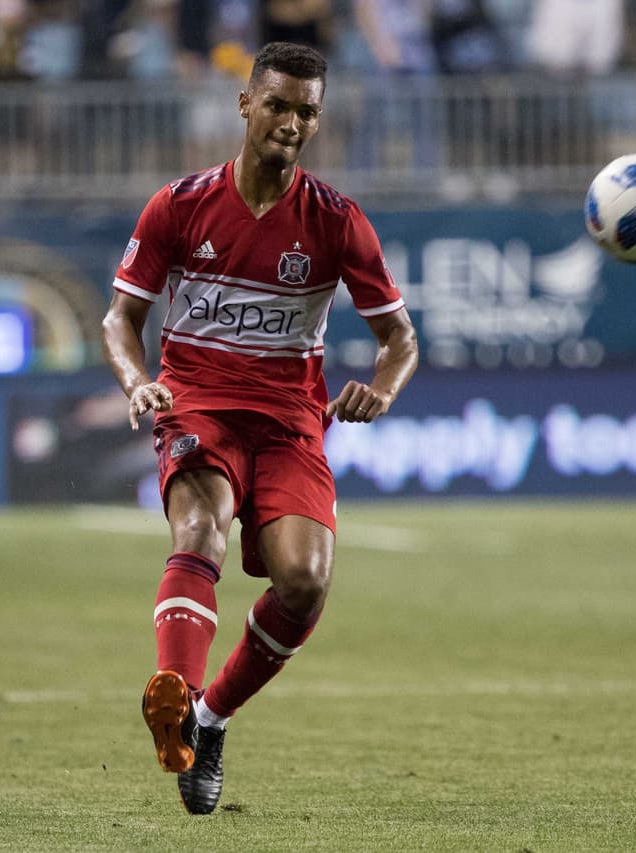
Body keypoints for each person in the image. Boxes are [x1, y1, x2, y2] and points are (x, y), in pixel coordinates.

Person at [100, 41, 418, 815]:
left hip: (289, 424)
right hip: (196, 404)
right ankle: (175, 691)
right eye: (276, 104)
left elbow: (400, 339)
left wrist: (380, 389)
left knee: (305, 582)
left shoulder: (337, 222)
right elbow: (121, 318)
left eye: (305, 111)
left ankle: (209, 719)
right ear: (246, 104)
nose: (289, 121)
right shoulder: (178, 205)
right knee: (199, 531)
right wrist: (139, 382)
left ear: (318, 121)